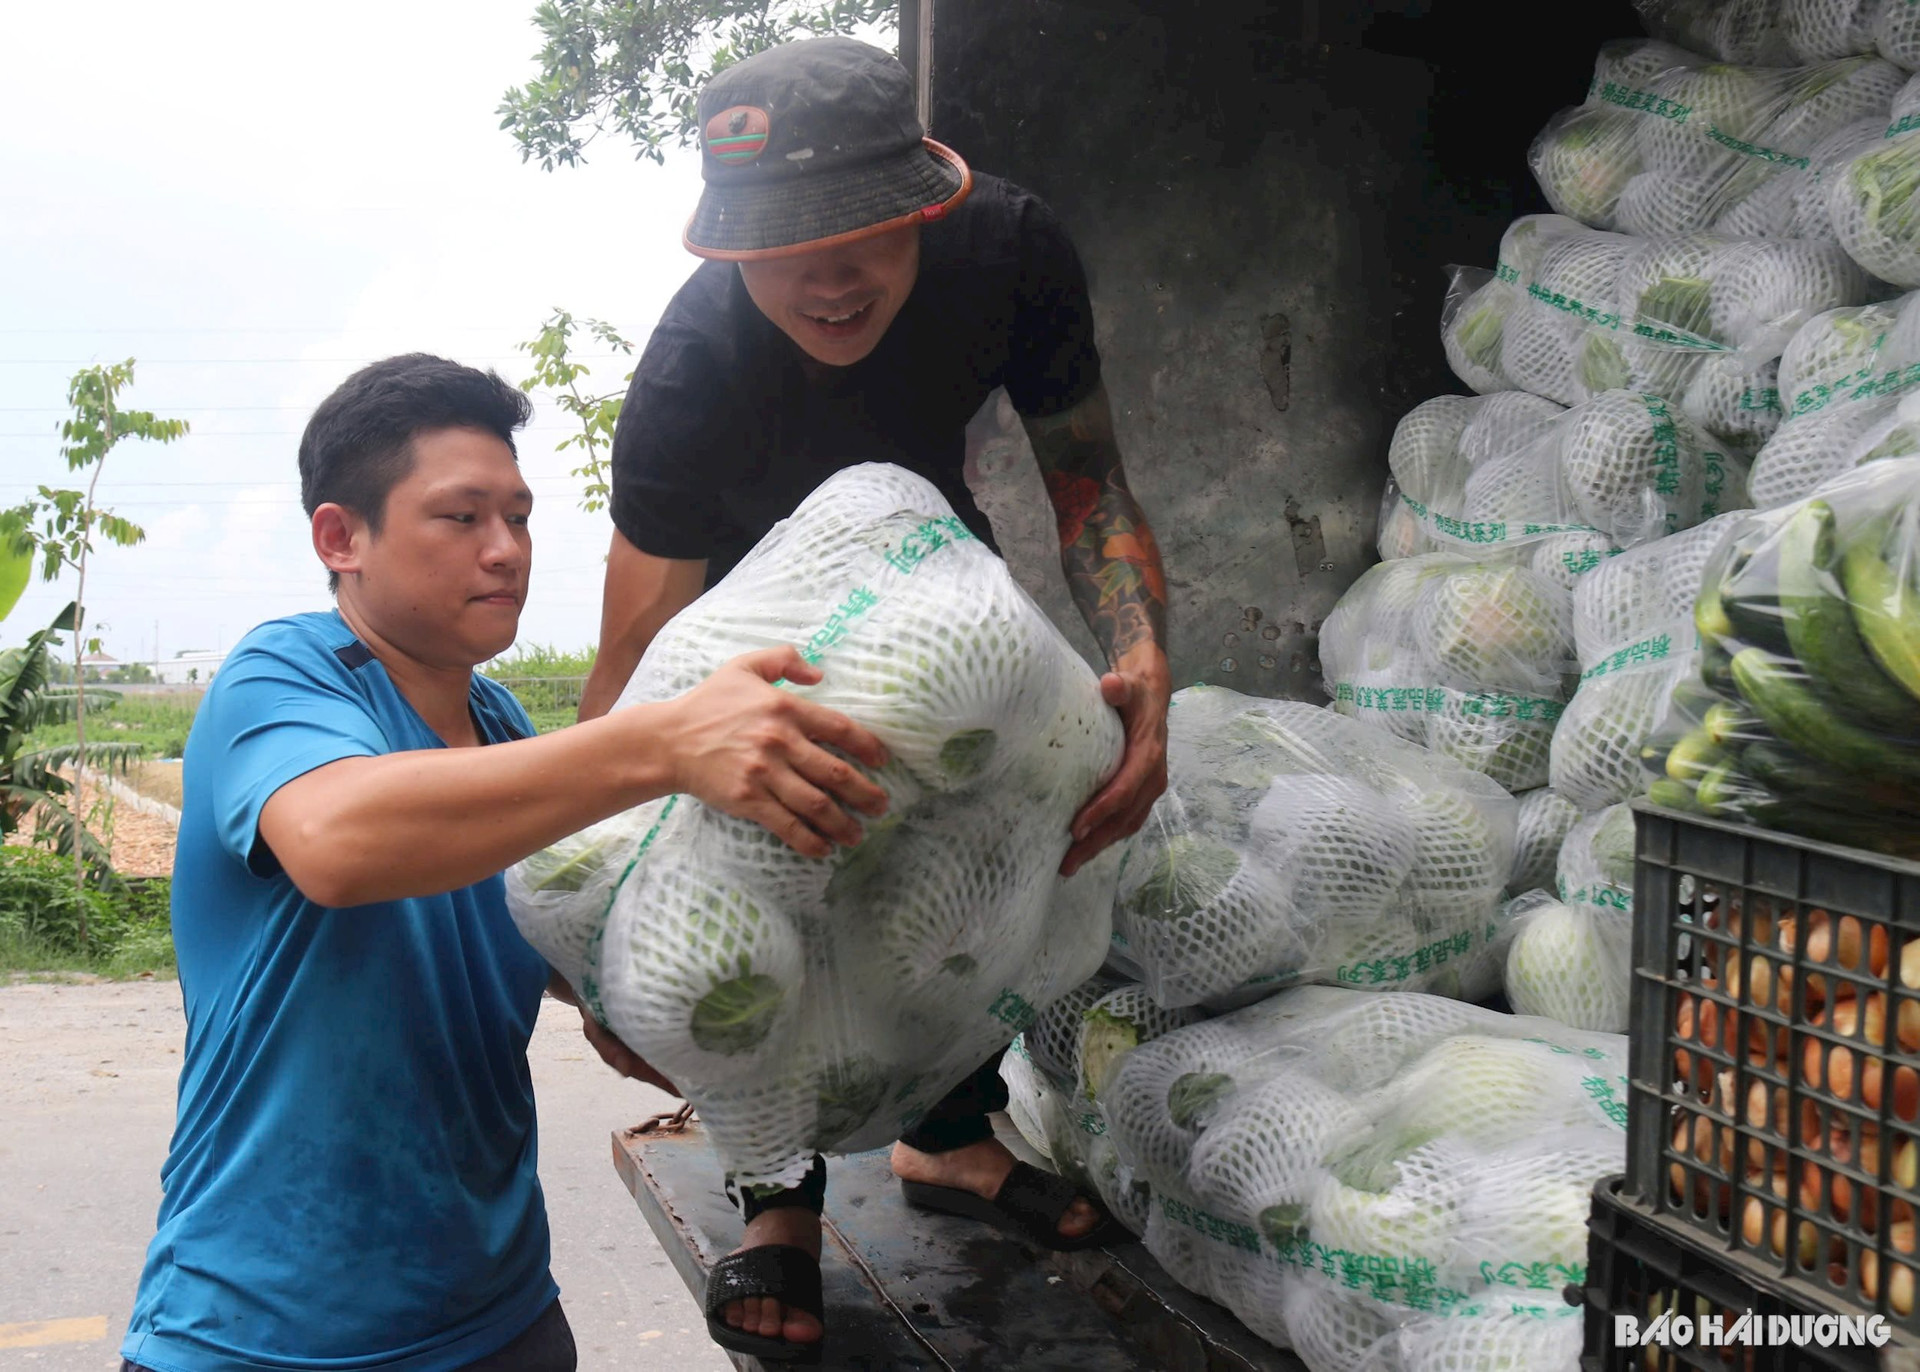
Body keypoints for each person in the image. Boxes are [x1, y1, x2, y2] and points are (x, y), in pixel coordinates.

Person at [577, 36, 1173, 1363]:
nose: (826, 276)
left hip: (928, 567)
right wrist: (603, 898)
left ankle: (948, 1140)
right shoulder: (691, 379)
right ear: (727, 250)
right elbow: (634, 655)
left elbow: (1091, 487)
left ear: (925, 201)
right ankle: (777, 1196)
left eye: (860, 229)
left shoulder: (1012, 251)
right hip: (745, 621)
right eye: (782, 244)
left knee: (988, 825)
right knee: (775, 877)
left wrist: (1143, 664)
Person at [119, 354, 894, 1372]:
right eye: (462, 517)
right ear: (340, 537)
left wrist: (684, 1003)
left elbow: (545, 929)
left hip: (501, 1318)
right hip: (265, 1335)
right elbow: (339, 844)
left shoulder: (498, 721)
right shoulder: (284, 672)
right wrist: (662, 742)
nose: (506, 551)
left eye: (520, 518)